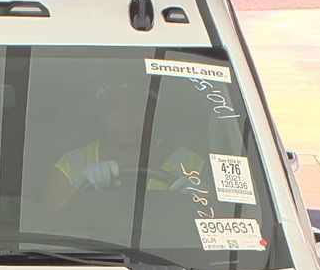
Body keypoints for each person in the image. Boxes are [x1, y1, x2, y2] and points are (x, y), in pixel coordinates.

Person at [45, 80, 203, 212]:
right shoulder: (71, 165)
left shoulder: (190, 164)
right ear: (99, 113)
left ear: (151, 113)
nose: (123, 119)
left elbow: (216, 218)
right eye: (112, 109)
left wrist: (204, 197)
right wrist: (78, 191)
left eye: (135, 108)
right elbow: (49, 226)